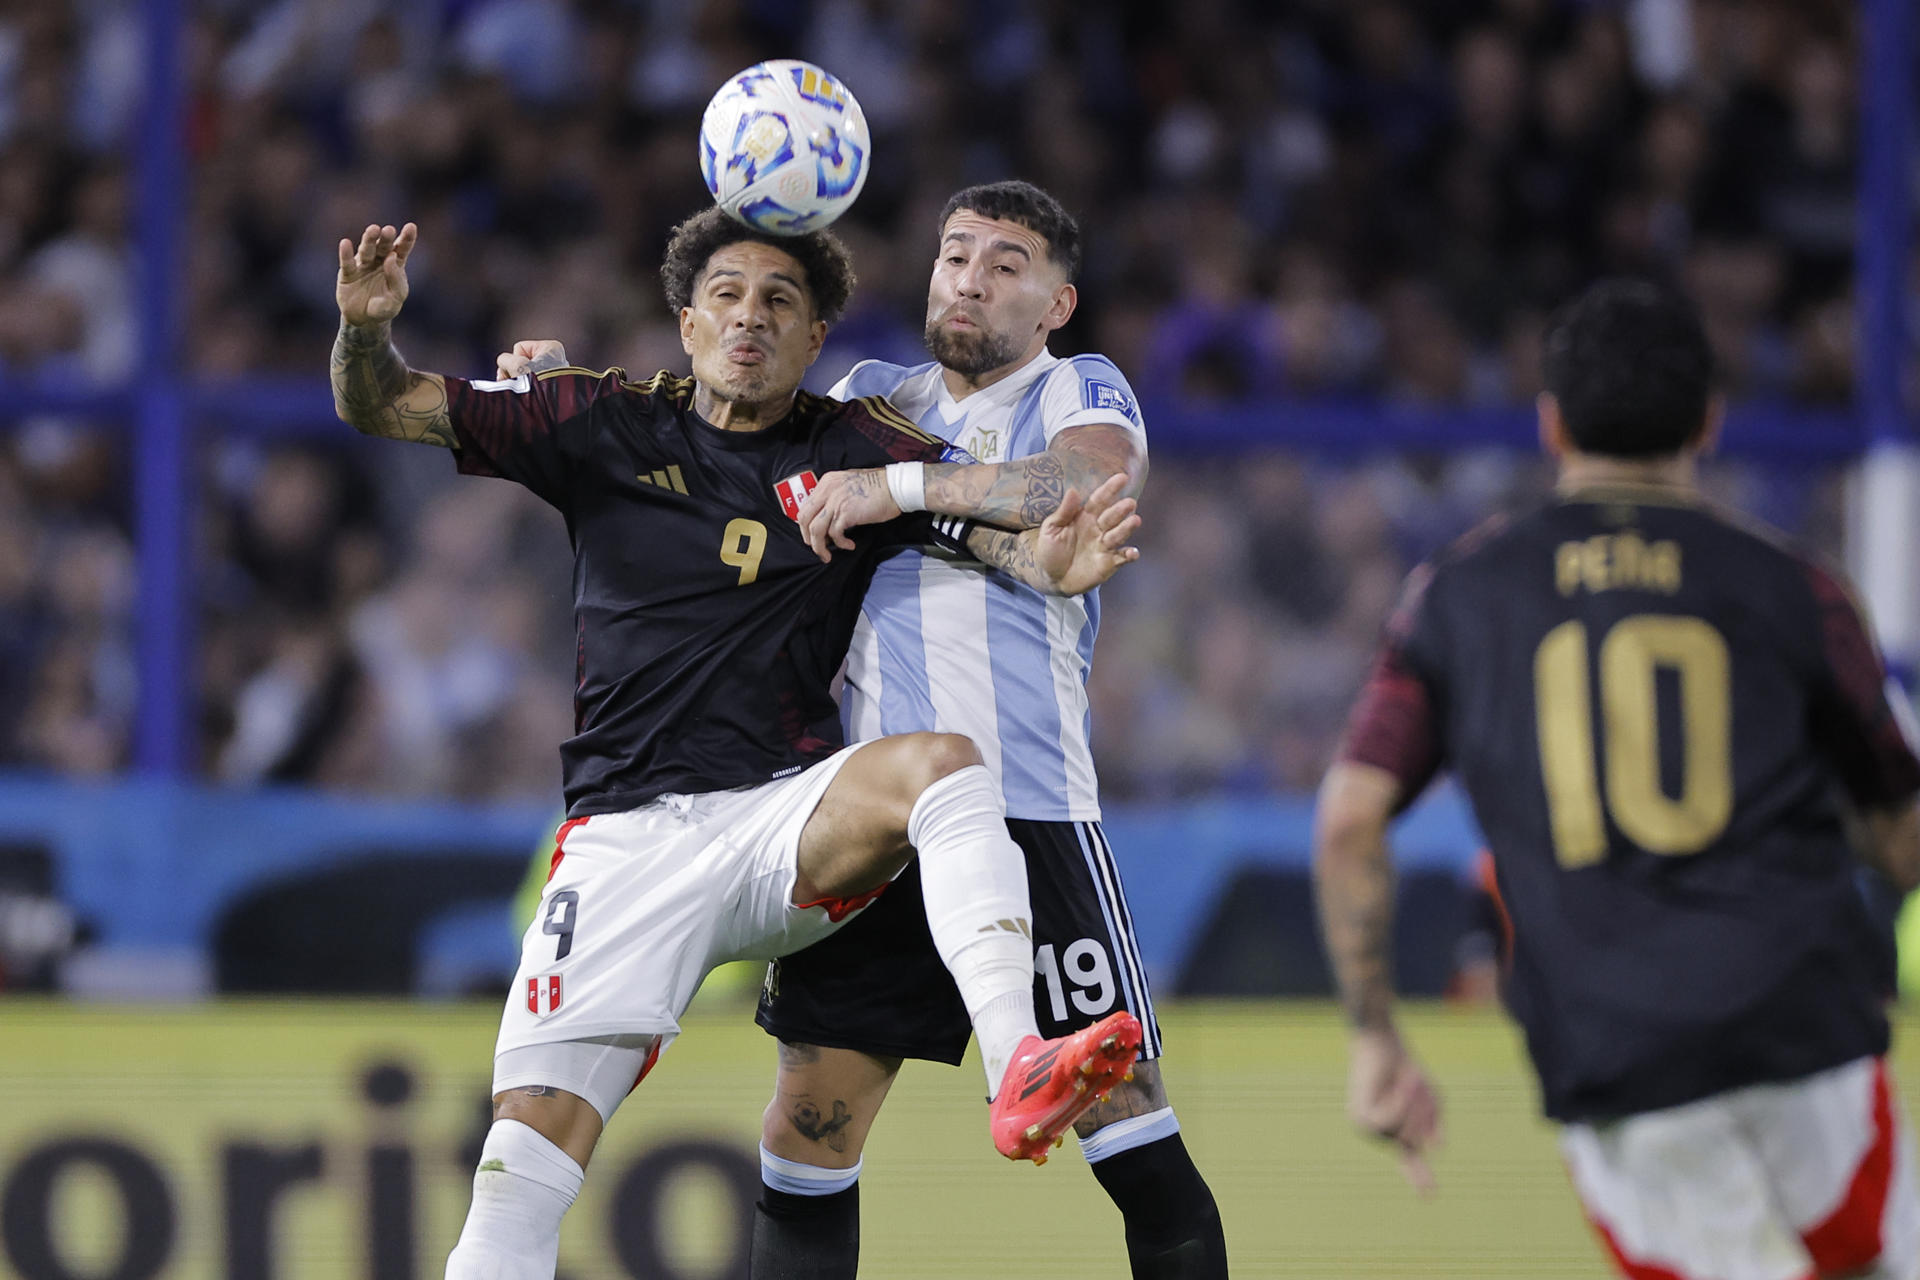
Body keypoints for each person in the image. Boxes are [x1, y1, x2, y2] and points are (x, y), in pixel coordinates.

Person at [330, 208, 1146, 1280]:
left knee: (942, 761)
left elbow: (1023, 512)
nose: (750, 318)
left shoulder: (856, 450)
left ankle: (1018, 1062)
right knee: (512, 1193)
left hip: (780, 819)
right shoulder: (597, 421)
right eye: (727, 295)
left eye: (781, 301)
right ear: (685, 322)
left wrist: (1057, 568)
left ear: (818, 346)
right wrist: (363, 328)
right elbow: (381, 403)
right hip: (621, 843)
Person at [1313, 278, 1920, 1279]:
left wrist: (1376, 1035)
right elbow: (1899, 827)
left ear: (1550, 423)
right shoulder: (1794, 585)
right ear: (1710, 421)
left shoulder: (1460, 597)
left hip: (1616, 1043)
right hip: (1806, 1016)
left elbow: (1348, 820)